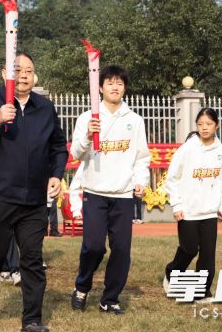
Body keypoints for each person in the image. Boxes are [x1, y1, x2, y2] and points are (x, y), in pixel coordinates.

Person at [0, 52, 68, 332]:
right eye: (18, 69)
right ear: (4, 74)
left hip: (33, 201)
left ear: (35, 76)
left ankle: (32, 320)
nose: (24, 74)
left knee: (32, 259)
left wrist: (56, 175)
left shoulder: (45, 108)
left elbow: (58, 147)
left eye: (29, 70)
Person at [69, 65, 150, 315]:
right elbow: (75, 154)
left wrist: (141, 180)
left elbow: (142, 157)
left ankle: (110, 298)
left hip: (123, 195)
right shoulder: (87, 118)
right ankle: (82, 285)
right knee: (93, 246)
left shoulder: (134, 121)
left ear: (124, 88)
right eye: (110, 82)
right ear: (100, 87)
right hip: (95, 193)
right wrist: (87, 136)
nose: (115, 87)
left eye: (120, 83)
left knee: (121, 250)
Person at [162, 107, 222, 303]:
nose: (204, 128)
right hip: (188, 210)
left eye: (208, 124)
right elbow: (172, 179)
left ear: (216, 125)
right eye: (200, 124)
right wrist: (176, 205)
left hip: (209, 211)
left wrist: (221, 206)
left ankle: (202, 292)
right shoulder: (187, 149)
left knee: (208, 255)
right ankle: (172, 272)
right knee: (189, 249)